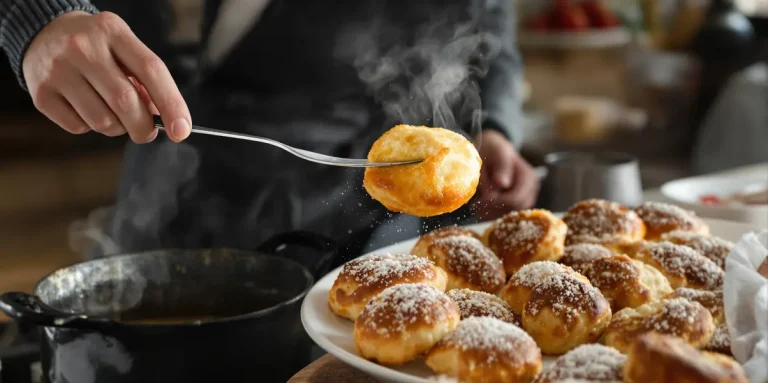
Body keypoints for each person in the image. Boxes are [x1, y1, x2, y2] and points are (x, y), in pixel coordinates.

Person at [1, 0, 539, 264]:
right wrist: (34, 14)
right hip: (161, 172)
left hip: (338, 202)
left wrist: (494, 128)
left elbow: (487, 27)